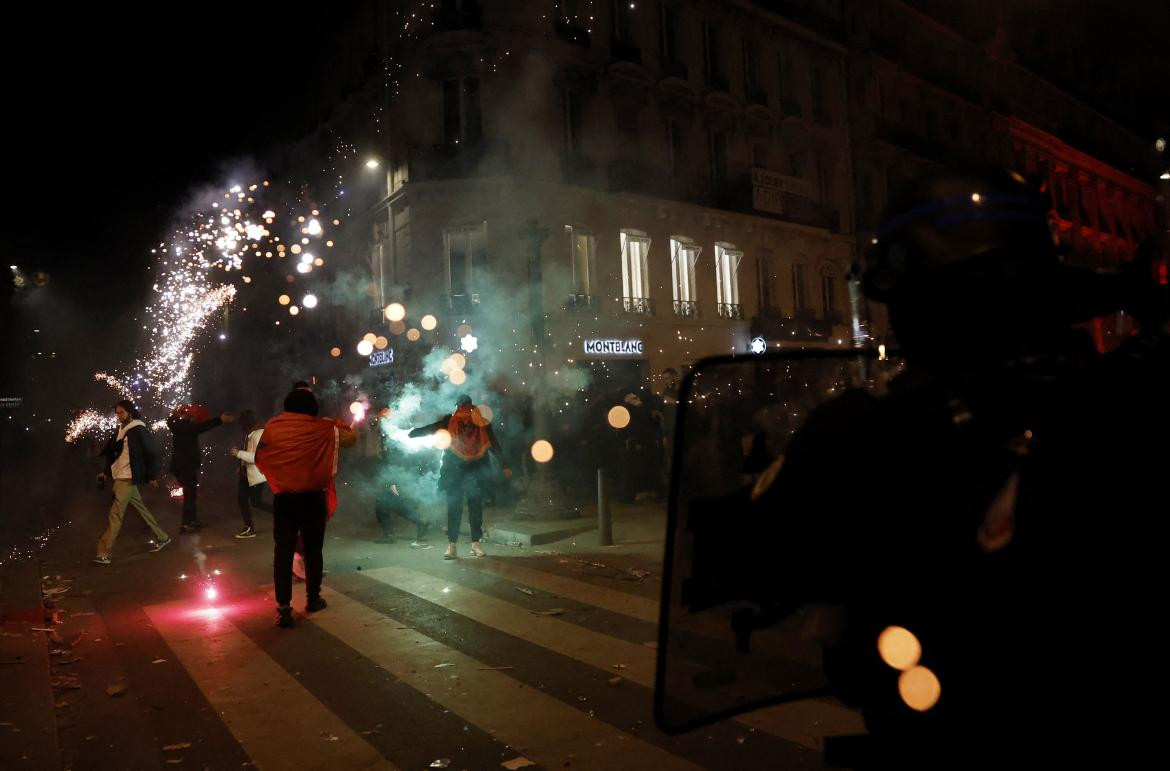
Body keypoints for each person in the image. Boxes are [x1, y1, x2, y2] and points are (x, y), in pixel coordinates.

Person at [737, 168, 1144, 766]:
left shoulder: (862, 432)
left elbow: (760, 562)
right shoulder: (1125, 401)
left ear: (912, 303)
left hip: (935, 736)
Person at [255, 388, 355, 628]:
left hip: (285, 500)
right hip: (313, 499)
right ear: (313, 408)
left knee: (283, 553)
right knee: (313, 551)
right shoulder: (324, 428)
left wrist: (279, 481)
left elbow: (261, 458)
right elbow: (351, 439)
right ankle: (313, 598)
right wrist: (336, 422)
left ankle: (283, 608)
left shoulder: (273, 427)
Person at [409, 394, 511, 559]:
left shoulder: (462, 420)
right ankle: (469, 544)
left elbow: (432, 428)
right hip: (466, 471)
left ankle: (455, 546)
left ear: (458, 405)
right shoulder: (477, 420)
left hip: (463, 472)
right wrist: (505, 464)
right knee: (472, 507)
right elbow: (494, 444)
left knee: (458, 508)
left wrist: (414, 433)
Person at [94, 400, 170, 564]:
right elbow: (114, 454)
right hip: (121, 476)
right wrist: (106, 472)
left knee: (115, 515)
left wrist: (152, 476)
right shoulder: (121, 430)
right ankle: (163, 537)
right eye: (117, 413)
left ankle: (103, 552)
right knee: (141, 509)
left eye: (121, 413)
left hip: (127, 477)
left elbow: (153, 453)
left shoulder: (138, 429)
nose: (118, 416)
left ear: (130, 412)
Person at [166, 404, 234, 533]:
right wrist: (219, 420)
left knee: (190, 494)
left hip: (180, 466)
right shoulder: (185, 426)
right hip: (186, 466)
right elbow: (202, 427)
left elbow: (196, 426)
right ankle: (187, 523)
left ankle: (192, 520)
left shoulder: (177, 425)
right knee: (190, 495)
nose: (197, 420)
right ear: (190, 416)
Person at [228, 410, 271, 538]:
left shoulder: (258, 434)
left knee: (256, 502)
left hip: (257, 476)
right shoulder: (250, 434)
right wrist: (241, 466)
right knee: (243, 500)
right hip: (247, 475)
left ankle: (285, 516)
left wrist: (238, 453)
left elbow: (258, 457)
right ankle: (249, 528)